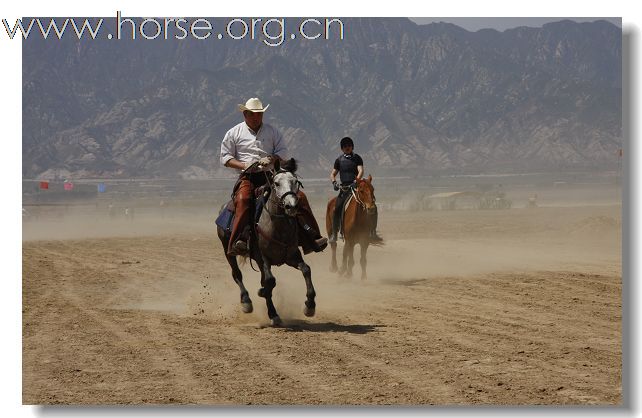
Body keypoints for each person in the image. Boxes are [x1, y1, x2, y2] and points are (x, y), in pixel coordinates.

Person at [220, 97, 328, 257]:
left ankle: (312, 236)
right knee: (243, 200)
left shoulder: (272, 131)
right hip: (248, 178)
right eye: (253, 114)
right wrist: (244, 165)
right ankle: (238, 240)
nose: (257, 117)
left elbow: (283, 152)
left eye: (260, 114)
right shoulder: (233, 133)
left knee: (299, 197)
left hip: (271, 177)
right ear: (245, 114)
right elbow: (225, 158)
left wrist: (270, 159)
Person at [329, 137, 383, 243]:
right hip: (344, 189)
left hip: (356, 188)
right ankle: (335, 234)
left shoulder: (357, 158)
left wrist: (356, 181)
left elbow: (361, 170)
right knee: (337, 209)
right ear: (342, 148)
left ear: (352, 146)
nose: (347, 148)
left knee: (373, 206)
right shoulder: (338, 160)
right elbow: (333, 174)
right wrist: (334, 182)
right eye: (345, 146)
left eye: (349, 146)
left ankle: (373, 232)